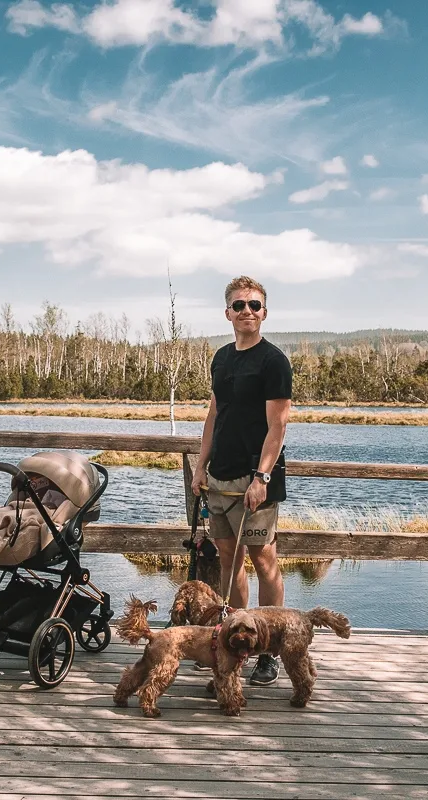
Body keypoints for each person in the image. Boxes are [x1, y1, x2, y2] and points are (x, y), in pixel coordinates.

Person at [191, 275, 292, 686]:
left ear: (264, 312)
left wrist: (262, 476)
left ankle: (270, 649)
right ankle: (235, 647)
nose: (246, 311)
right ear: (227, 312)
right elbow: (215, 414)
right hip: (219, 479)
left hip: (256, 482)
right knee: (229, 562)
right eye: (238, 305)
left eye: (253, 304)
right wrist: (201, 465)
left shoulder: (273, 361)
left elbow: (278, 425)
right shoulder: (221, 358)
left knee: (264, 561)